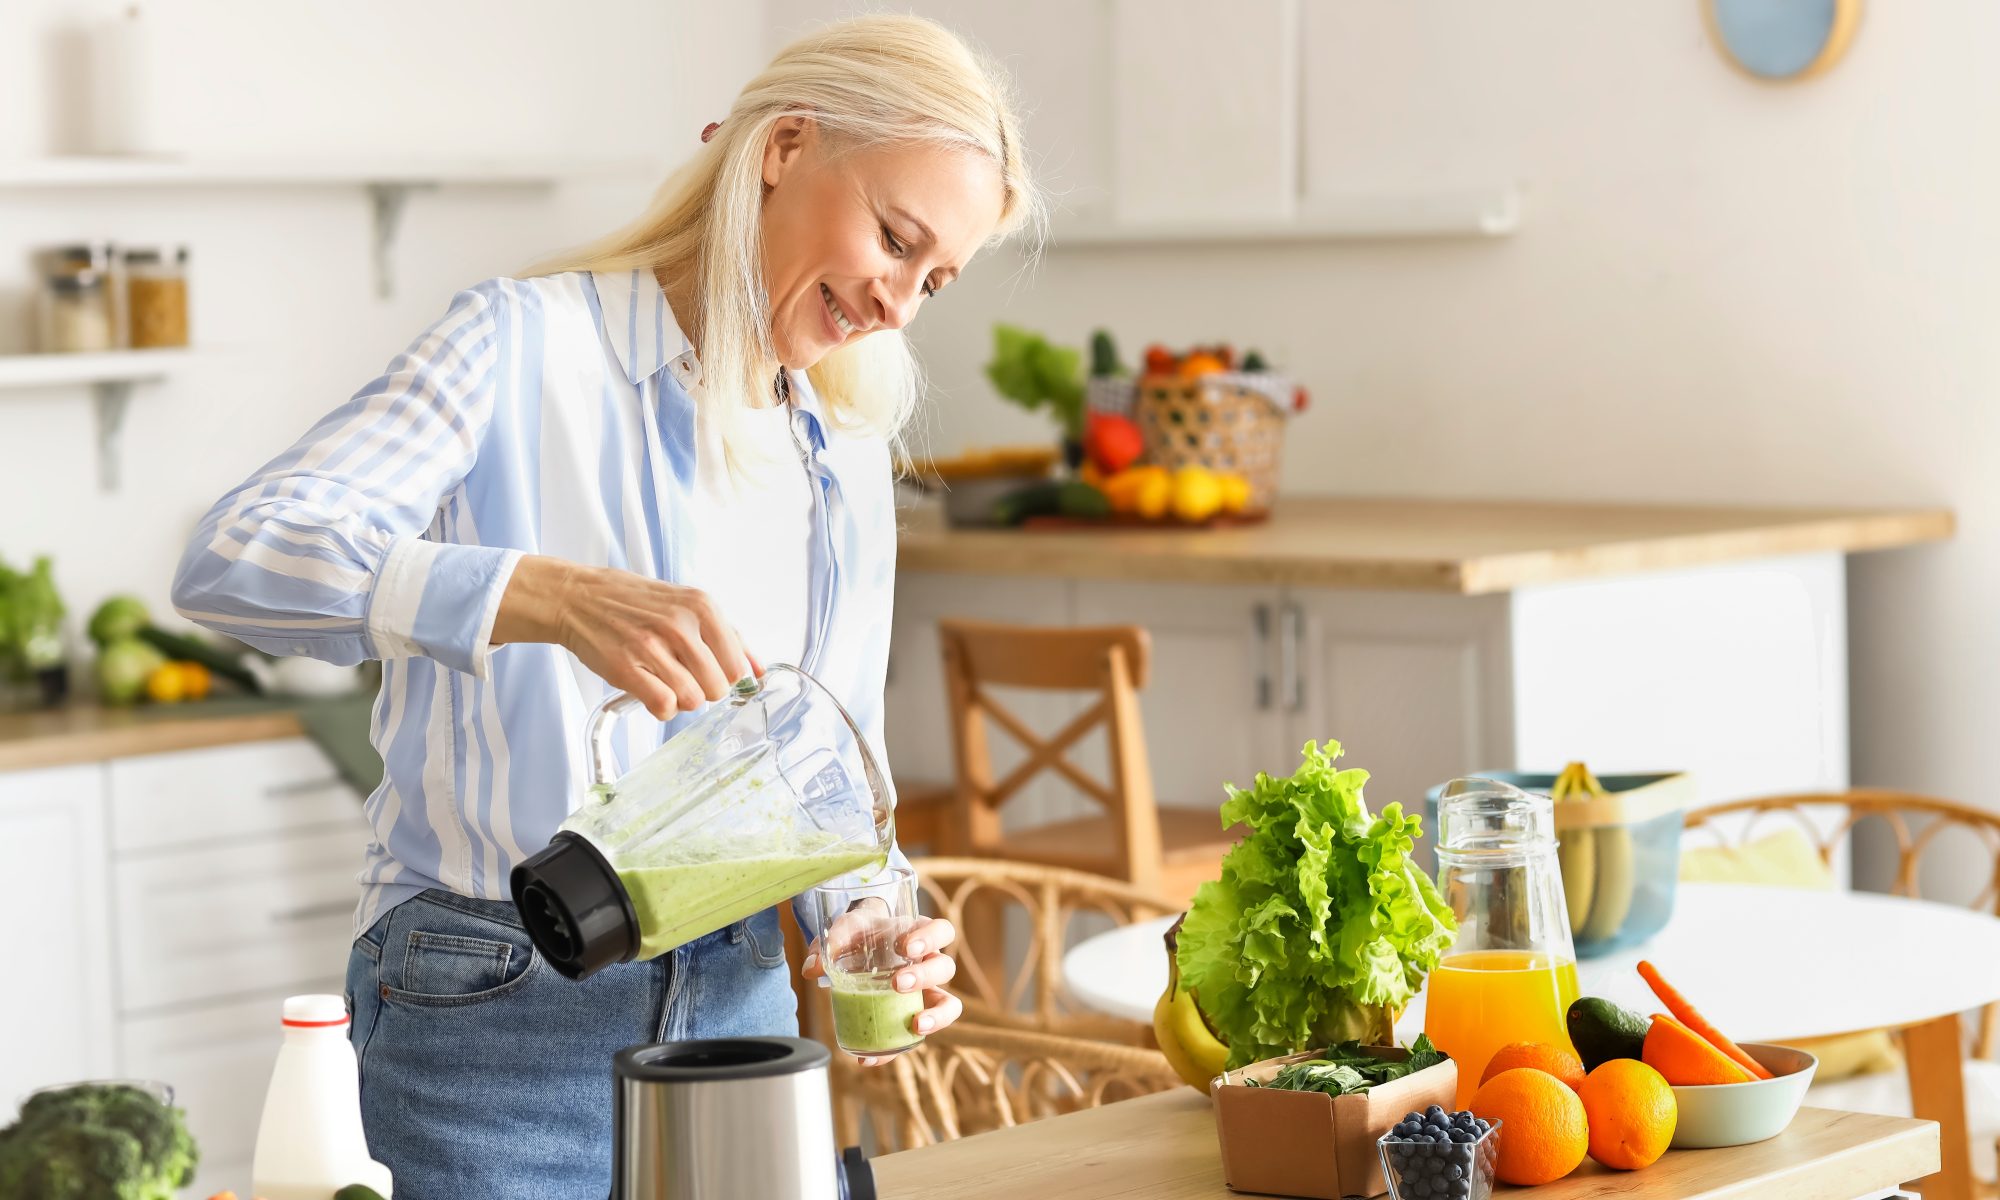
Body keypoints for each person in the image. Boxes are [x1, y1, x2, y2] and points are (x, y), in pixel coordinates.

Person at [170, 14, 1041, 1198]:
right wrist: (537, 593)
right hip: (490, 1016)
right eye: (895, 240)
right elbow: (235, 552)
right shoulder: (519, 345)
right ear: (785, 146)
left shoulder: (838, 445)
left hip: (741, 1015)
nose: (897, 304)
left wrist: (874, 913)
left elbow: (831, 764)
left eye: (933, 279)